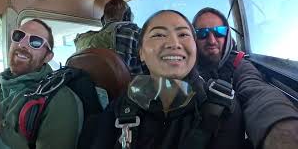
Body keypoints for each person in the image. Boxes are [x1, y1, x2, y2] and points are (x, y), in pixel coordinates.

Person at [91, 10, 246, 149]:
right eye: (158, 35)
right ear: (141, 53)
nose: (174, 43)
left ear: (194, 48)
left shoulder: (224, 106)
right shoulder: (120, 107)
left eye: (183, 34)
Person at [192, 7, 298, 149]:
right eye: (202, 33)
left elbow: (255, 89)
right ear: (193, 39)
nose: (211, 40)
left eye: (219, 31)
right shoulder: (186, 68)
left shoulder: (239, 63)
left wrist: (279, 127)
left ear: (227, 35)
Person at [0, 19, 81, 149]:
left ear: (48, 57)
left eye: (35, 42)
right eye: (18, 36)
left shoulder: (59, 99)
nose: (22, 44)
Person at [74, 0, 143, 75]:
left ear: (103, 20)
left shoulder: (82, 40)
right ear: (127, 15)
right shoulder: (134, 32)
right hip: (131, 86)